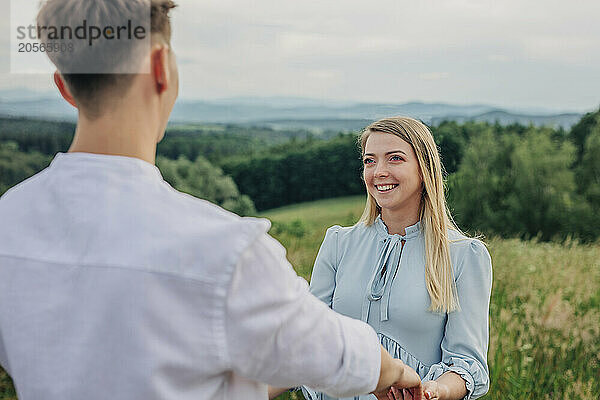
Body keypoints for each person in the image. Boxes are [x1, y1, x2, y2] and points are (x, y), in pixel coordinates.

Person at [0, 1, 423, 399]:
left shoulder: (8, 224)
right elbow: (336, 353)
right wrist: (400, 373)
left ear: (64, 87)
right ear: (161, 68)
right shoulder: (222, 249)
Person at [298, 117, 493, 400]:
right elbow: (306, 340)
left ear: (424, 169)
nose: (379, 171)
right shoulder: (338, 243)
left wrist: (433, 390)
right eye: (369, 161)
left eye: (395, 159)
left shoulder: (464, 255)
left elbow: (467, 364)